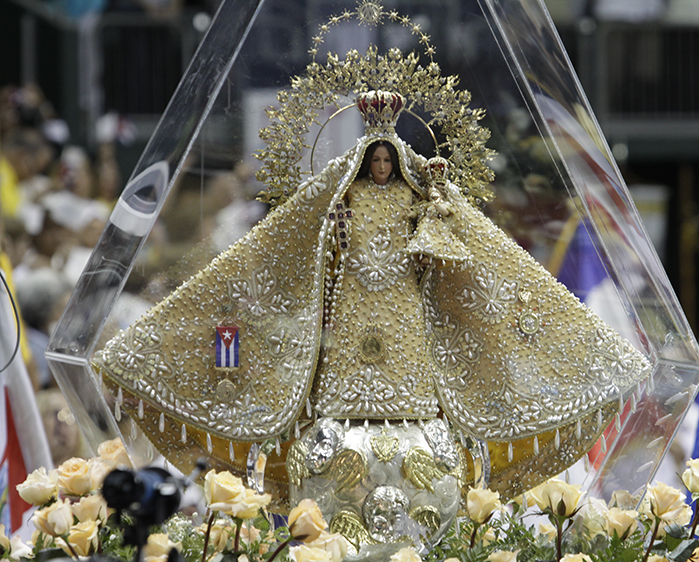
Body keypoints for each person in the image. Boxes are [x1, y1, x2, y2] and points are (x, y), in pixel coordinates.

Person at [94, 90, 651, 519]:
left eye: (388, 160)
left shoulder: (417, 197)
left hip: (404, 314)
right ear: (365, 159)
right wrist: (332, 234)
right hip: (355, 306)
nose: (382, 168)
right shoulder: (345, 195)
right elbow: (313, 246)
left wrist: (436, 207)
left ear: (396, 160)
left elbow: (450, 251)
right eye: (376, 160)